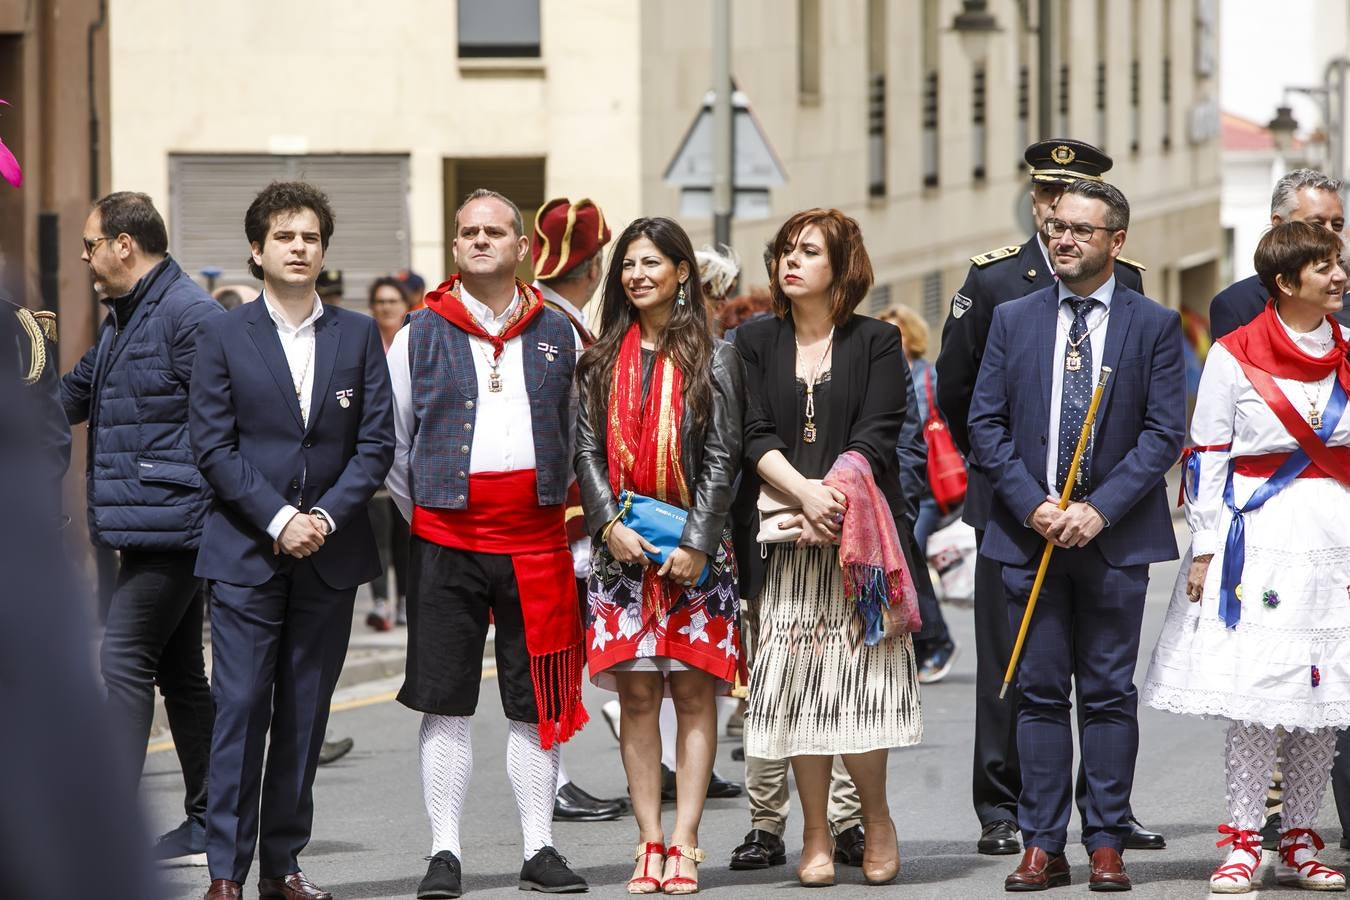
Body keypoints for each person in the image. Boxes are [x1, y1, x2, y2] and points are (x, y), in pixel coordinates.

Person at [934, 138, 1163, 856]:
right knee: (1020, 678)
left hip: (1106, 524)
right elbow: (964, 396)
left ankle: (1105, 827)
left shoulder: (1133, 294)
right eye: (1048, 207)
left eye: (1073, 214)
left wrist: (1098, 506)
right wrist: (1026, 493)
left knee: (1104, 688)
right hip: (1016, 510)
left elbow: (1153, 422)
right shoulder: (1001, 291)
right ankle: (1013, 817)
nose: (1056, 226)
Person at [190, 181, 395, 900]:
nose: (299, 247)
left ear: (324, 251)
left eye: (310, 237)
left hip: (331, 556)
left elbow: (374, 446)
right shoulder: (222, 334)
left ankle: (282, 866)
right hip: (248, 551)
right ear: (257, 249)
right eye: (284, 236)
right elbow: (213, 447)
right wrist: (280, 519)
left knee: (305, 716)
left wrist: (325, 519)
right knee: (241, 710)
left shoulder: (356, 333)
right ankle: (225, 871)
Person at [385, 189, 590, 898]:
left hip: (537, 541)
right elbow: (396, 444)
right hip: (446, 537)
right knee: (445, 699)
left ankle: (539, 844)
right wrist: (433, 515)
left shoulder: (561, 331)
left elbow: (579, 435)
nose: (479, 241)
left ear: (522, 246)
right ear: (453, 247)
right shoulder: (417, 332)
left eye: (493, 231)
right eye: (467, 232)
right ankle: (444, 851)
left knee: (536, 698)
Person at [1143, 222, 1350, 892]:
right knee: (1259, 698)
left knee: (1322, 698)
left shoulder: (1349, 351)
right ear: (1287, 283)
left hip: (1336, 540)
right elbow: (1205, 454)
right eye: (1324, 267)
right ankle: (1241, 840)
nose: (1340, 277)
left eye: (1339, 264)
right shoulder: (1234, 355)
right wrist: (1204, 549)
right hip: (1260, 541)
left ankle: (1298, 839)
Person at [734, 207, 922, 888]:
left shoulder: (877, 340)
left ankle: (874, 819)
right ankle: (813, 831)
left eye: (808, 251)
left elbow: (878, 432)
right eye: (785, 250)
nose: (791, 261)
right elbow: (749, 432)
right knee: (797, 694)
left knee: (863, 687)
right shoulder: (752, 340)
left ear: (841, 267)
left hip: (860, 543)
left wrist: (831, 496)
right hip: (783, 546)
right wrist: (802, 494)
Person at [573, 216, 745, 895]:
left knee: (695, 694)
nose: (638, 274)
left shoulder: (717, 356)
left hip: (696, 556)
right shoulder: (598, 359)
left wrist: (698, 543)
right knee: (640, 695)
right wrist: (607, 524)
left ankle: (686, 839)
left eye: (652, 263)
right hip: (622, 556)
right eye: (628, 264)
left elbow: (724, 457)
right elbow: (584, 451)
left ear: (681, 272)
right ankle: (648, 841)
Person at [59, 191, 222, 865]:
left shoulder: (189, 315)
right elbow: (69, 394)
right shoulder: (125, 319)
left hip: (177, 524)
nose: (86, 258)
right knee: (180, 673)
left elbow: (221, 423)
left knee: (122, 662)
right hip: (150, 524)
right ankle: (213, 818)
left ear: (125, 244)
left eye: (91, 244)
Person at [530, 196, 631, 824]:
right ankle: (553, 779)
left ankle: (556, 777)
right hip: (565, 521)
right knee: (553, 649)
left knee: (556, 648)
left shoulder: (549, 318)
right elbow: (571, 438)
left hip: (560, 518)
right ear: (592, 268)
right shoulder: (561, 329)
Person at [883, 305, 959, 684]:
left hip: (927, 486)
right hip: (894, 483)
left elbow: (952, 421)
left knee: (908, 554)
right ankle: (926, 640)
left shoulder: (928, 376)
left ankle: (936, 641)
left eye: (895, 332)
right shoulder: (878, 371)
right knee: (907, 559)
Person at [1210, 169, 1347, 340]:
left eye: (1337, 225)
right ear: (1279, 224)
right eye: (1316, 225)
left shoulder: (1343, 296)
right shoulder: (1237, 306)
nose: (1330, 234)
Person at [365, 275, 412, 632]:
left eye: (392, 301)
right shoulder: (364, 343)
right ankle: (380, 602)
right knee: (377, 535)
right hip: (372, 455)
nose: (385, 308)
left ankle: (405, 604)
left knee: (405, 535)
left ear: (405, 306)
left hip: (408, 455)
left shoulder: (415, 342)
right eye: (380, 302)